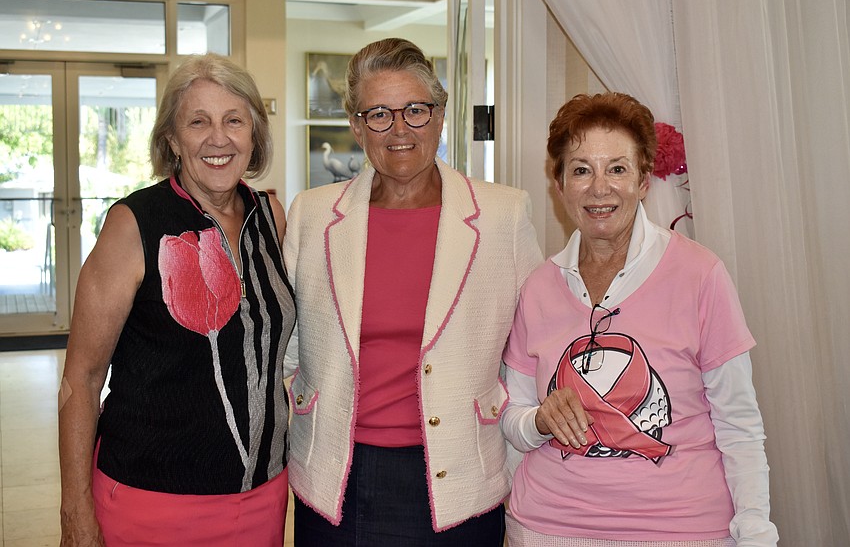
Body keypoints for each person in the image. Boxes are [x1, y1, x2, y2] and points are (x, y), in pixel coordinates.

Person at [282, 37, 543, 546]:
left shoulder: (502, 215)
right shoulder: (312, 215)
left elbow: (530, 346)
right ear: (356, 126)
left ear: (440, 115)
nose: (399, 129)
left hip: (460, 473)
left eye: (415, 111)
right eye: (378, 113)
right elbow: (289, 349)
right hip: (337, 473)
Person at [500, 92, 779, 546]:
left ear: (644, 180)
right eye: (581, 170)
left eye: (617, 168)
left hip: (682, 529)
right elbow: (512, 415)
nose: (599, 188)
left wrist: (755, 531)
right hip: (548, 528)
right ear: (559, 184)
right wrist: (539, 420)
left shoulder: (700, 275)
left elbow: (739, 424)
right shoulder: (538, 288)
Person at [58, 53, 295, 546]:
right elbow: (80, 378)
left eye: (234, 120)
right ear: (172, 139)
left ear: (254, 135)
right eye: (198, 122)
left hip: (263, 497)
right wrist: (76, 511)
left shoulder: (271, 216)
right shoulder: (134, 224)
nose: (218, 138)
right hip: (151, 503)